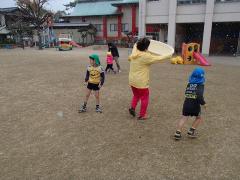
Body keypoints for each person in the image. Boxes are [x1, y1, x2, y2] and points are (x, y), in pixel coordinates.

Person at [128, 37, 172, 120]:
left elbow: (136, 45)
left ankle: (132, 108)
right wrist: (169, 55)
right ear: (146, 47)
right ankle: (142, 115)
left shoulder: (135, 51)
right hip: (141, 82)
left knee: (136, 95)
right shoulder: (146, 56)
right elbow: (158, 58)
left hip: (132, 80)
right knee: (145, 97)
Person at [174, 67, 207, 140]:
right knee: (198, 118)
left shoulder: (189, 84)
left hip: (186, 104)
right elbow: (199, 96)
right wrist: (203, 103)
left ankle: (177, 132)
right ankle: (191, 131)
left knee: (184, 118)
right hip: (195, 105)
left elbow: (186, 93)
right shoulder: (200, 86)